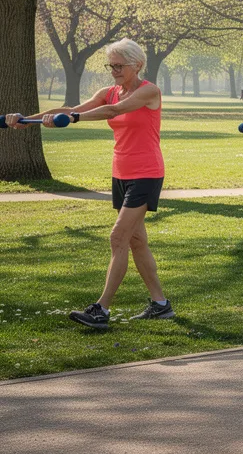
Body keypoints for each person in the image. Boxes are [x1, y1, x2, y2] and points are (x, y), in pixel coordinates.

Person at [7, 38, 174, 328]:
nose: (114, 71)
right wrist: (26, 120)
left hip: (146, 173)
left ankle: (101, 310)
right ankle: (160, 305)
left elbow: (113, 111)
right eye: (111, 65)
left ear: (138, 65)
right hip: (121, 173)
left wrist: (70, 118)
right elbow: (72, 107)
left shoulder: (149, 92)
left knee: (118, 237)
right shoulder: (108, 91)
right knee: (136, 241)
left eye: (120, 66)